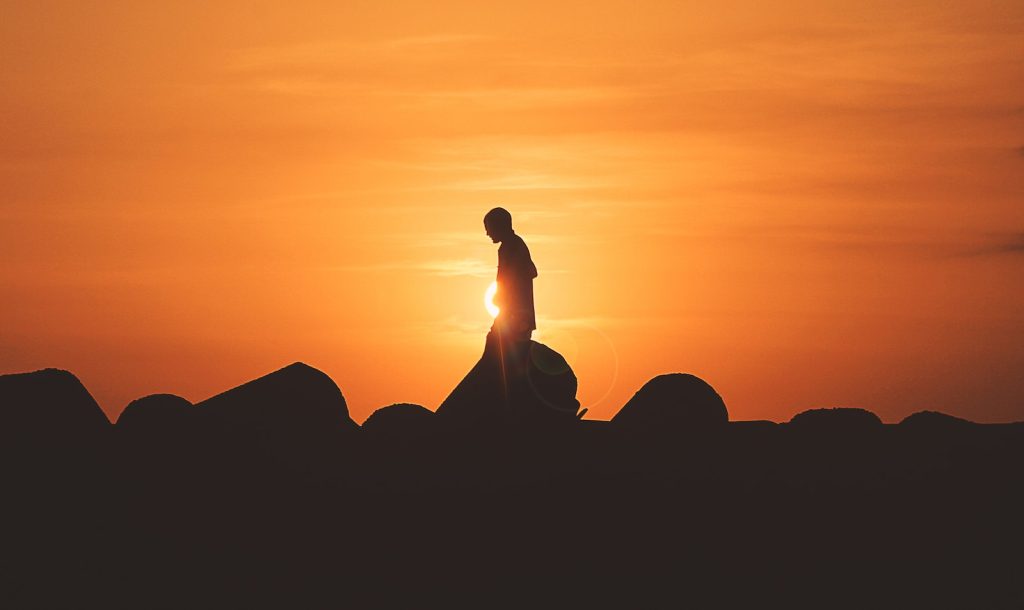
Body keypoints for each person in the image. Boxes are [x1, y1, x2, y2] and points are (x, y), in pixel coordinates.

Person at [483, 207, 538, 405]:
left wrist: (507, 292)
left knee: (509, 357)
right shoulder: (508, 247)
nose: (487, 233)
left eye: (489, 228)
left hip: (516, 316)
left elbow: (530, 271)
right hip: (512, 314)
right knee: (497, 350)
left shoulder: (514, 246)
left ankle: (511, 400)